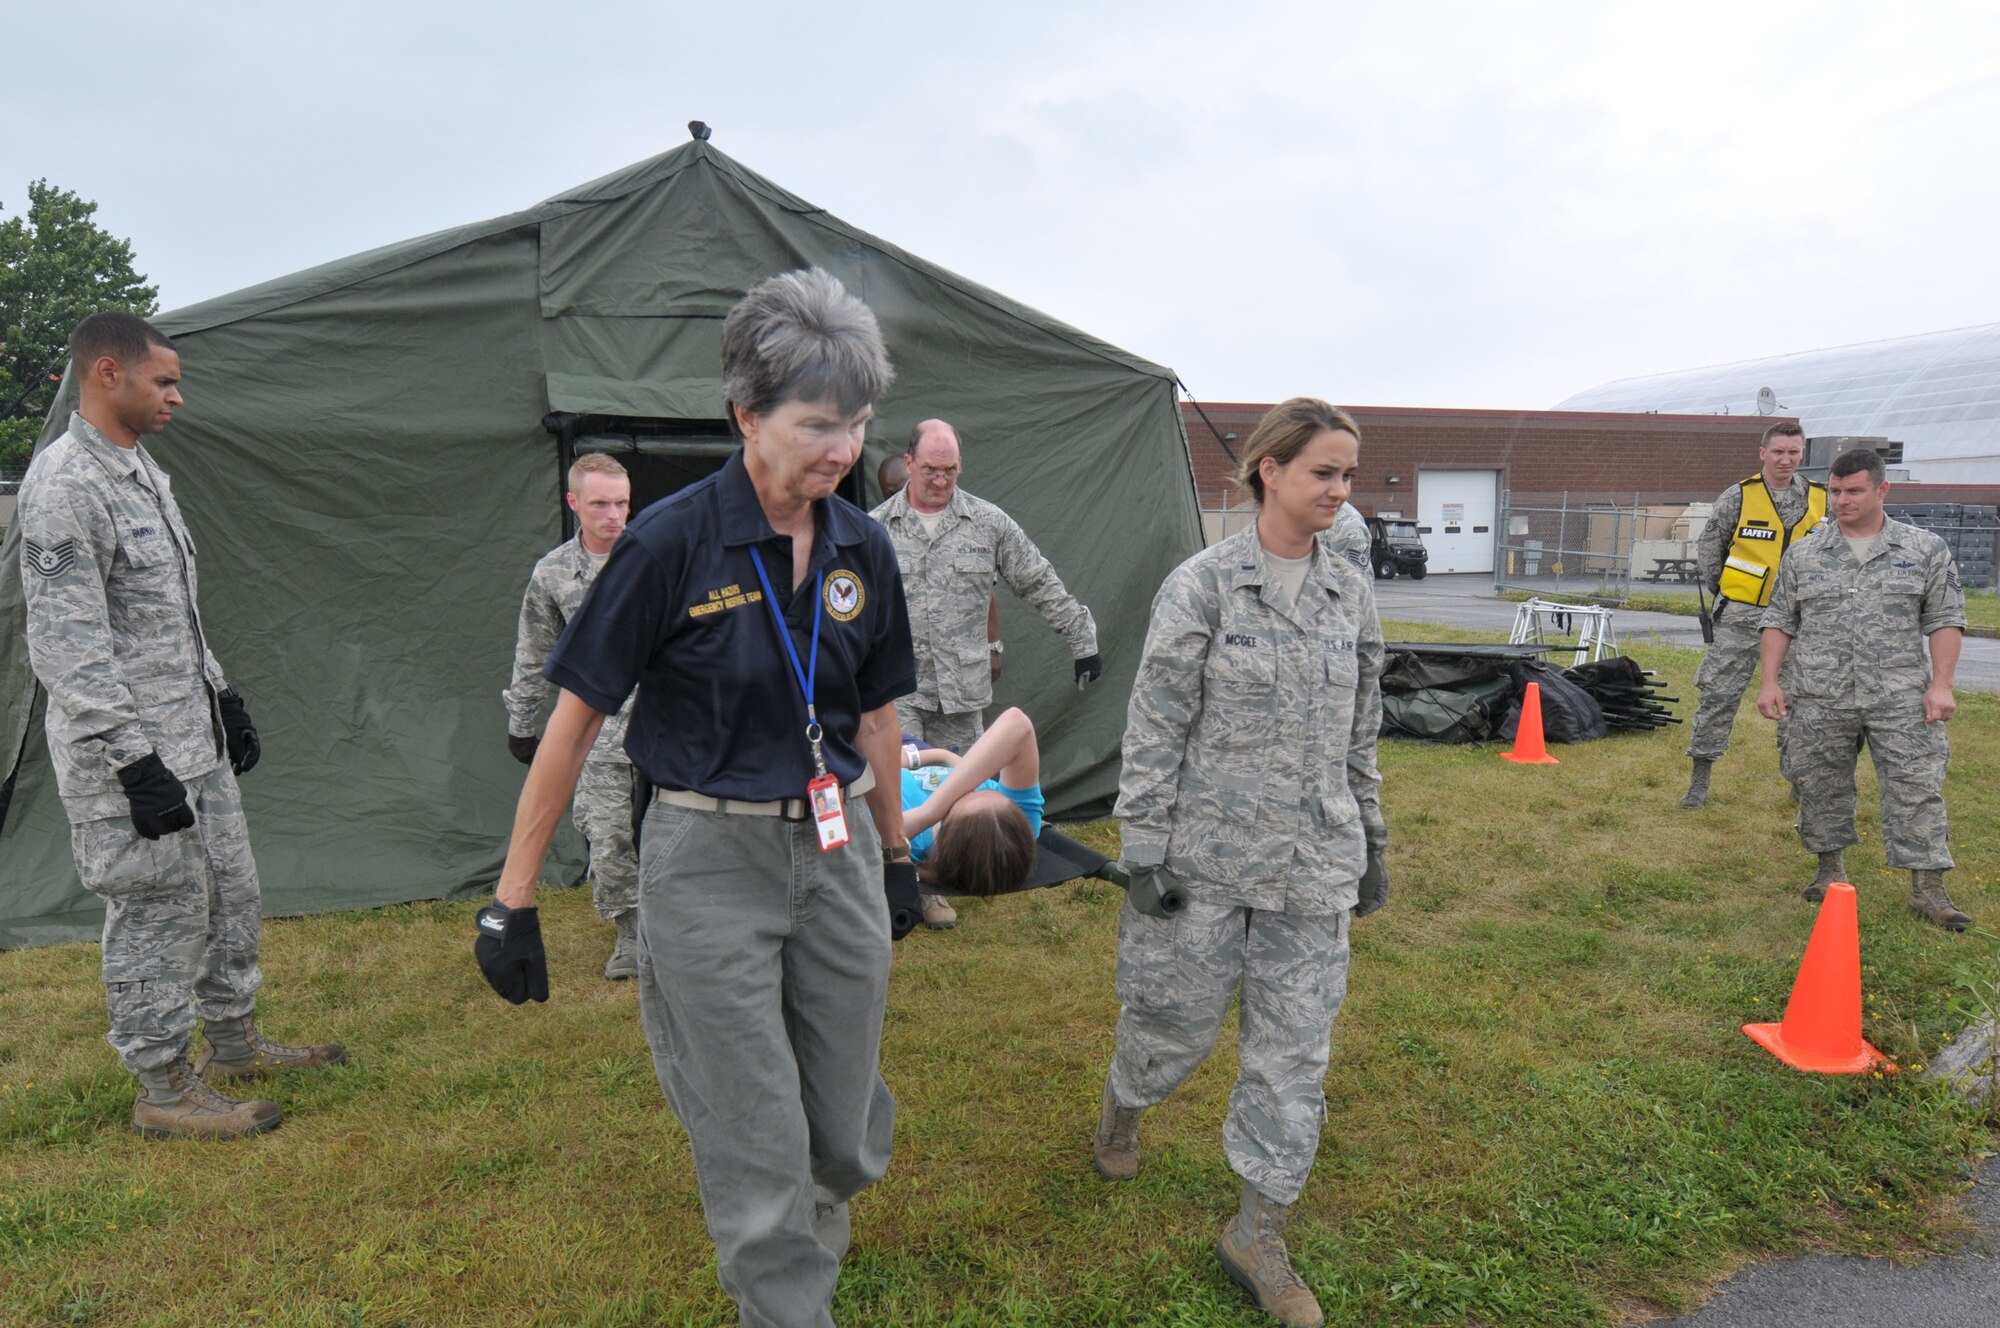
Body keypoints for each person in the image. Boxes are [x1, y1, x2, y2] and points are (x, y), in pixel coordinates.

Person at [476, 268, 919, 1328]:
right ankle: (786, 1299)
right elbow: (572, 718)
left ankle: (814, 1216)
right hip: (705, 859)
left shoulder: (863, 545)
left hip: (838, 848)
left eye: (857, 423)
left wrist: (896, 851)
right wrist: (514, 894)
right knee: (752, 1123)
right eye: (817, 423)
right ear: (745, 417)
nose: (842, 448)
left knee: (842, 1124)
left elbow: (873, 717)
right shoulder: (669, 541)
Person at [1093, 397, 1386, 1328]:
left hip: (1312, 866)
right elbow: (1155, 725)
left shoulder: (1351, 590)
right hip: (1204, 865)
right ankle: (1125, 1103)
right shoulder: (1204, 586)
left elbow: (1361, 729)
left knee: (1293, 1050)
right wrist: (1142, 852)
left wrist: (1371, 838)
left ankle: (1258, 1231)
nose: (1340, 491)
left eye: (1348, 475)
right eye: (1322, 473)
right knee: (1172, 1024)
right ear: (1270, 470)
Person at [16, 312, 344, 1141]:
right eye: (163, 380)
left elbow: (166, 616)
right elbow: (67, 639)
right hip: (127, 754)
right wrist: (130, 760)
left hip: (188, 738)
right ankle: (162, 1087)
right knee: (157, 910)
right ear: (105, 373)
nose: (177, 395)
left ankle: (233, 1046)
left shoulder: (140, 472)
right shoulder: (65, 483)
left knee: (231, 896)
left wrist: (221, 696)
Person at [870, 417, 1100, 929]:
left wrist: (1082, 640)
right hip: (896, 690)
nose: (940, 480)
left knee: (958, 794)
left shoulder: (987, 523)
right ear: (908, 464)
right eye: (930, 469)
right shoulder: (873, 529)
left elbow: (1037, 580)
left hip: (962, 690)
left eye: (950, 470)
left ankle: (945, 877)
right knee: (893, 788)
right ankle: (909, 889)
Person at [1757, 447, 1971, 929]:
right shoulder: (1807, 552)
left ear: (1882, 489)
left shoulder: (1923, 549)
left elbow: (1944, 620)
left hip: (1899, 695)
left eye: (1854, 491)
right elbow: (1779, 620)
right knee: (1820, 785)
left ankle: (1929, 888)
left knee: (1916, 787)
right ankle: (1829, 870)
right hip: (1818, 693)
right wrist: (1770, 681)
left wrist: (1942, 685)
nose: (1842, 500)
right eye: (1835, 491)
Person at [502, 453, 640, 979]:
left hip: (666, 725)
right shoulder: (554, 574)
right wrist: (522, 724)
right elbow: (533, 652)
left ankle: (682, 926)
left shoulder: (655, 559)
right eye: (600, 503)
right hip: (595, 733)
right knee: (607, 835)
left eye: (622, 503)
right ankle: (629, 931)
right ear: (574, 503)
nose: (614, 515)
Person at [1682, 421, 1825, 808]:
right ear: (1763, 453)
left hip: (1799, 622)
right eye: (1778, 452)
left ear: (1802, 454)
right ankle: (1700, 777)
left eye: (1794, 452)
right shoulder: (1739, 497)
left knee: (1801, 702)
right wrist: (1731, 594)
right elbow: (1710, 551)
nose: (1786, 459)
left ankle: (1799, 780)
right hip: (1741, 618)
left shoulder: (1819, 500)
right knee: (1718, 695)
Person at [899, 704, 1043, 899]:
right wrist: (942, 757)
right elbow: (1016, 722)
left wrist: (926, 814)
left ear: (946, 828)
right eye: (992, 791)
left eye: (961, 798)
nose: (971, 787)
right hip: (920, 755)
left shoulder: (904, 838)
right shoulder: (1021, 827)